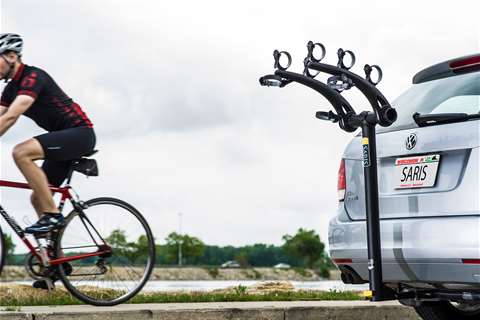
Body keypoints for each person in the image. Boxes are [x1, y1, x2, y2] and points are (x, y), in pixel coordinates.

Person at [0, 33, 96, 289]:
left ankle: (53, 215)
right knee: (37, 198)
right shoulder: (9, 89)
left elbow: (11, 117)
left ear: (11, 57)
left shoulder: (33, 77)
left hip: (79, 134)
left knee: (21, 152)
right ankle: (57, 264)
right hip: (60, 141)